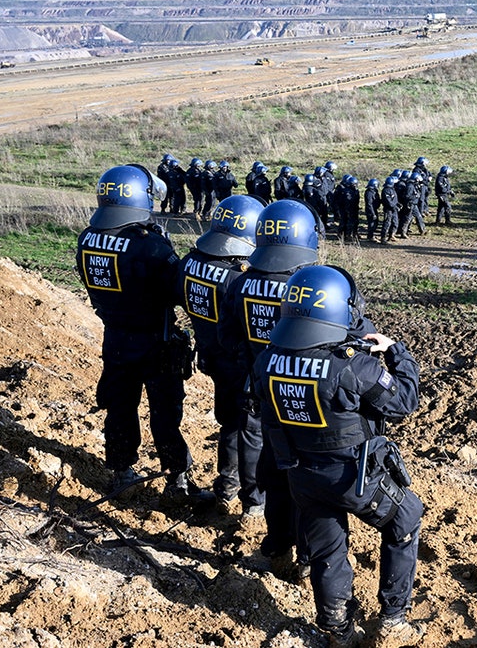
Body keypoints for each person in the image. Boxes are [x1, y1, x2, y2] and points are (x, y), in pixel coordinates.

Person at [252, 265, 424, 648]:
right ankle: (393, 619)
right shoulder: (352, 365)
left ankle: (338, 630)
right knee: (406, 519)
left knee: (329, 552)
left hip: (302, 476)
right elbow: (405, 402)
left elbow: (268, 420)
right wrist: (395, 351)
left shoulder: (267, 360)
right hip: (354, 477)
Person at [75, 164, 212, 506]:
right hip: (155, 341)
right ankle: (177, 478)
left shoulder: (88, 237)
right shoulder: (149, 245)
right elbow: (177, 290)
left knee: (120, 407)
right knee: (165, 413)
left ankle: (122, 472)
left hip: (116, 338)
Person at [219, 199, 323, 582]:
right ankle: (308, 557)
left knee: (275, 471)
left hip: (262, 391)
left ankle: (277, 546)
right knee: (309, 479)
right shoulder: (311, 287)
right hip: (306, 395)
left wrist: (255, 365)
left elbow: (226, 337)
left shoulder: (240, 282)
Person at [178, 194, 267, 516]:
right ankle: (254, 502)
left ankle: (226, 488)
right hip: (241, 363)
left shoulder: (191, 262)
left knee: (229, 424)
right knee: (252, 431)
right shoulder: (239, 276)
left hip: (211, 357)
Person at [331, 175, 360, 241]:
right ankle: (344, 234)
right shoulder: (346, 191)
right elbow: (346, 201)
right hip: (346, 208)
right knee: (345, 222)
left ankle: (353, 233)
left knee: (354, 221)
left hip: (354, 208)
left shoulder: (354, 190)